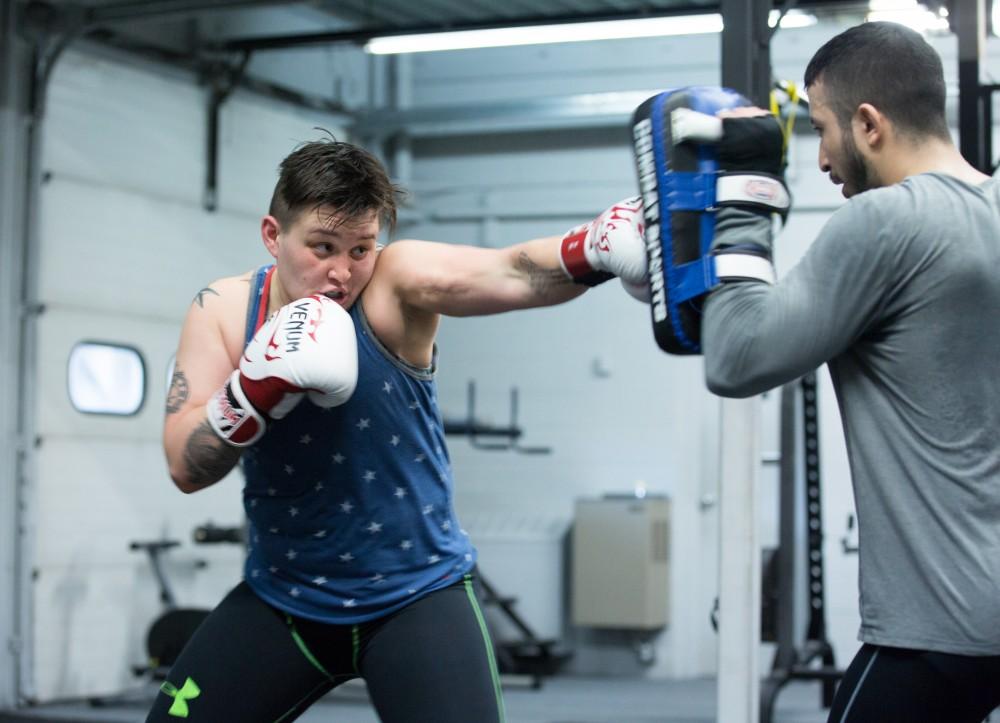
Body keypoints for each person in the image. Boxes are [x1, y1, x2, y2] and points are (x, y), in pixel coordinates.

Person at [152, 137, 646, 722]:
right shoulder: (225, 311)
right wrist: (251, 394)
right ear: (271, 235)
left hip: (416, 596)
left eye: (360, 248)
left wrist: (588, 250)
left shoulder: (393, 282)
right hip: (283, 597)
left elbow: (506, 271)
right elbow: (185, 466)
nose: (341, 273)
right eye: (321, 247)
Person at [699, 21, 1000, 723]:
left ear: (869, 124)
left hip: (935, 624)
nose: (822, 156)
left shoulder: (886, 223)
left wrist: (743, 202)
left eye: (821, 128)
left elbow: (737, 356)